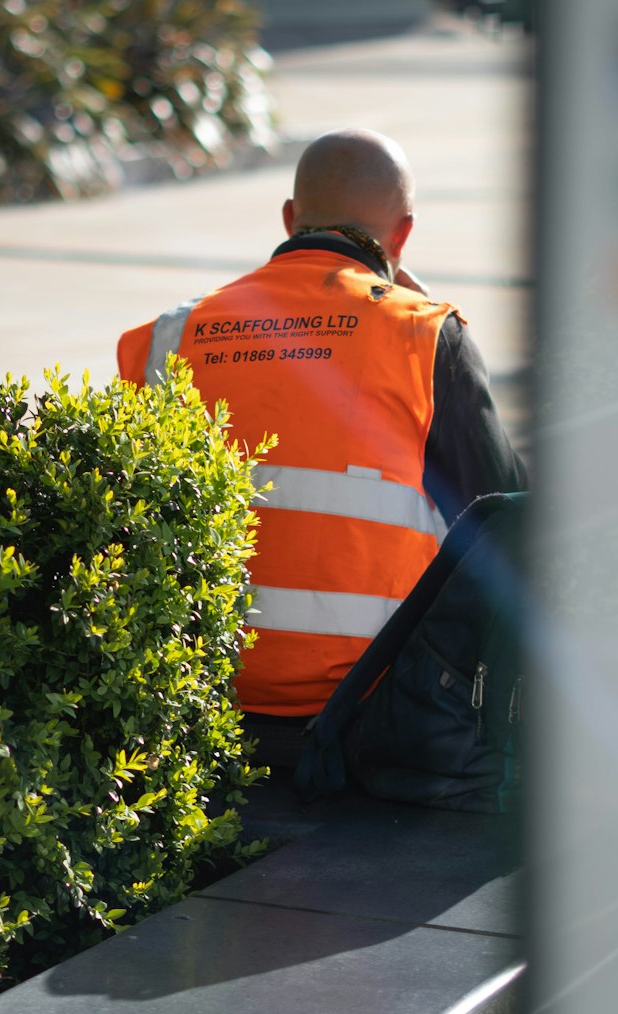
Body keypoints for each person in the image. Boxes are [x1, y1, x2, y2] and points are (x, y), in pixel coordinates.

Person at [117, 128, 526, 756]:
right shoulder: (423, 335)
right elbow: (508, 512)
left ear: (289, 217)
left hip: (198, 689)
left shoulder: (170, 335)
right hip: (370, 703)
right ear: (403, 234)